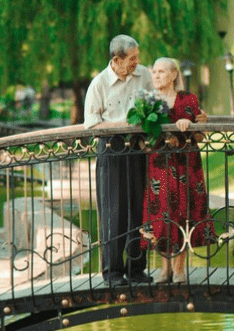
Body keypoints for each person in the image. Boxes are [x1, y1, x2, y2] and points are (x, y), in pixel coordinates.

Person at [84, 34, 154, 286]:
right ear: (116, 59)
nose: (137, 62)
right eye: (132, 58)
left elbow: (153, 104)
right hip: (111, 149)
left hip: (138, 148)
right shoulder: (99, 83)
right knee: (113, 213)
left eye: (137, 57)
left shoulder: (144, 75)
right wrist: (121, 124)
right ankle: (112, 274)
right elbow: (91, 123)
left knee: (139, 211)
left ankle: (137, 270)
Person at [141, 57, 215, 284]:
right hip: (158, 166)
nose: (156, 76)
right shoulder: (147, 101)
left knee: (183, 213)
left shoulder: (188, 99)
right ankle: (165, 269)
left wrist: (192, 124)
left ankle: (180, 268)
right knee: (161, 214)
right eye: (154, 72)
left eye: (162, 72)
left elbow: (202, 135)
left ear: (174, 75)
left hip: (185, 165)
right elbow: (142, 135)